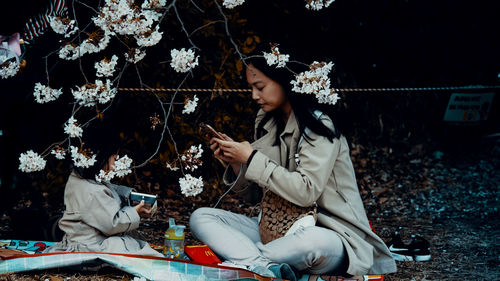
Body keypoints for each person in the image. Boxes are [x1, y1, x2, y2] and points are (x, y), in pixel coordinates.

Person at [189, 53, 397, 279]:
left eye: (260, 87)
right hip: (274, 230)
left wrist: (251, 158)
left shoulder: (319, 125)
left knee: (310, 243)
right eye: (251, 88)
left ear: (284, 81)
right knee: (201, 217)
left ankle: (245, 262)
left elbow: (306, 192)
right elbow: (256, 196)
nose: (254, 96)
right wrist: (238, 163)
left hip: (329, 234)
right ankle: (263, 267)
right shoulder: (268, 121)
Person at [43, 119, 163, 257]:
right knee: (128, 248)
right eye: (113, 158)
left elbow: (109, 189)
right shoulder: (92, 191)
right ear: (100, 156)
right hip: (89, 247)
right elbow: (112, 224)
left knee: (133, 244)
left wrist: (130, 196)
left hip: (87, 241)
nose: (114, 164)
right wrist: (135, 212)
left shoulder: (81, 178)